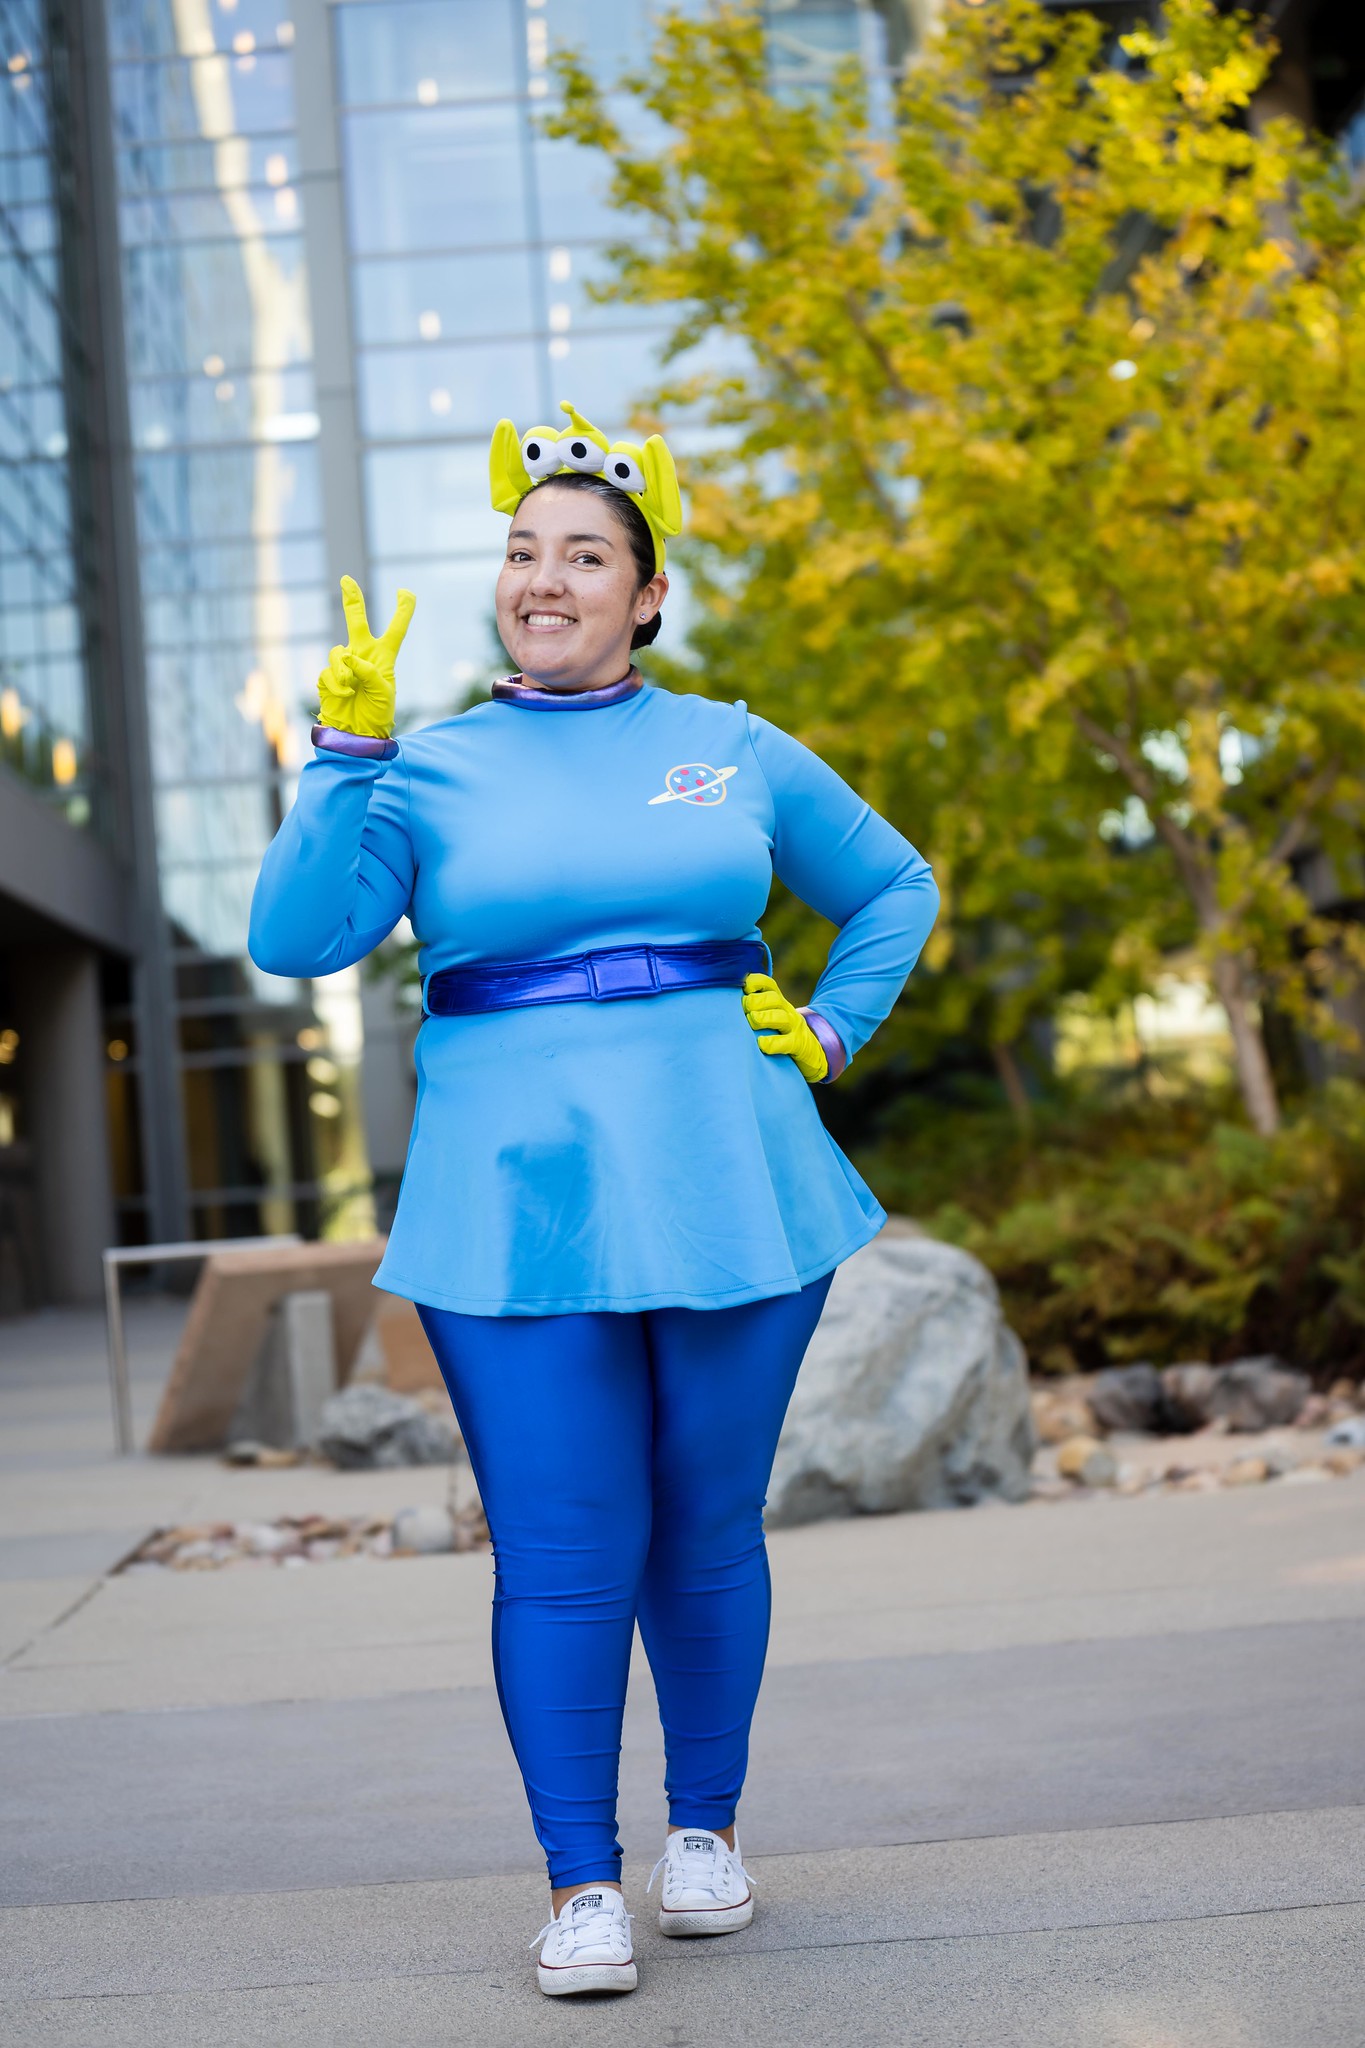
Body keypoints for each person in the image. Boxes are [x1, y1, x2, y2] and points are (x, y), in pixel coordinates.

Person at [249, 399, 939, 1998]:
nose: (541, 580)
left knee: (702, 1523)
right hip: (513, 1200)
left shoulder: (731, 746)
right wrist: (341, 763)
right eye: (520, 552)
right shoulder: (423, 772)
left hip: (732, 1178)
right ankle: (579, 1885)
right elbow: (294, 939)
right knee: (562, 1548)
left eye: (580, 555)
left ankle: (705, 1834)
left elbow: (892, 885)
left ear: (646, 594)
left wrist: (833, 1026)